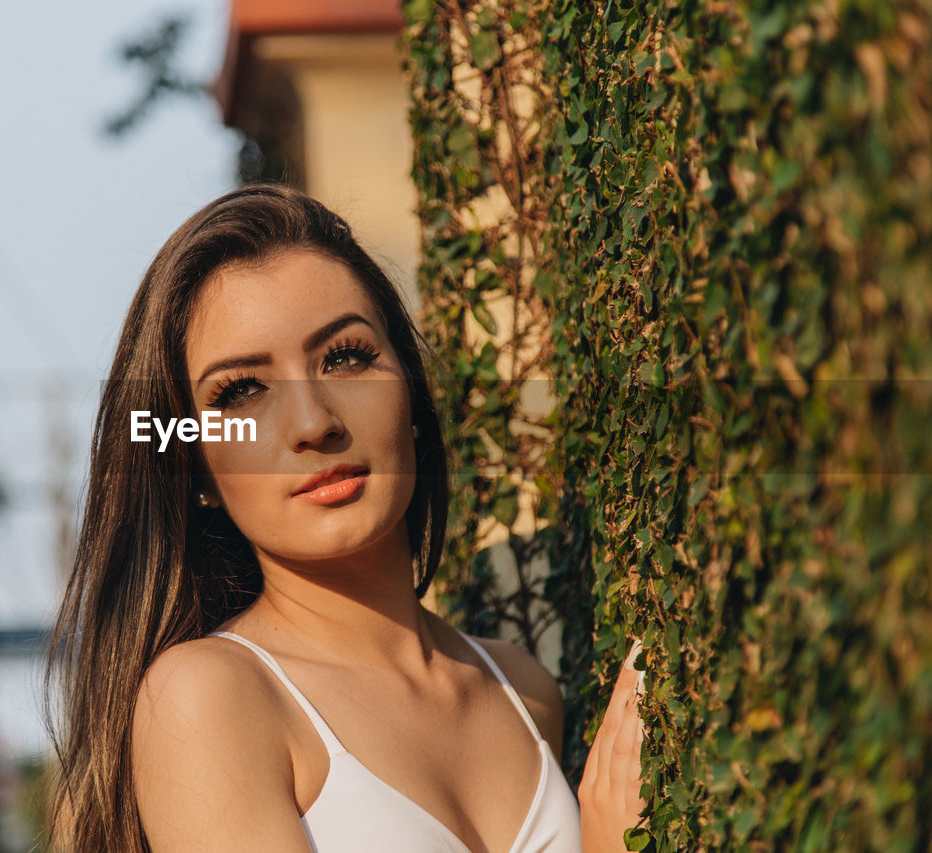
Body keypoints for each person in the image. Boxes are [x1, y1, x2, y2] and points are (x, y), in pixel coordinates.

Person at [44, 184, 648, 852]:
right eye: (241, 391)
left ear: (411, 398)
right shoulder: (209, 699)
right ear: (199, 471)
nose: (313, 423)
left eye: (346, 356)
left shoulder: (525, 691)